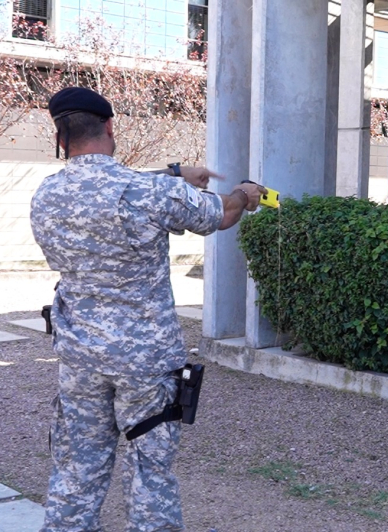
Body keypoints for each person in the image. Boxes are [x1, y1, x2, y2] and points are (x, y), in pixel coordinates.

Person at [31, 86, 265, 531]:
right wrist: (243, 192)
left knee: (76, 469)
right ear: (109, 126)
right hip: (145, 363)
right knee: (149, 470)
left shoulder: (48, 193)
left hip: (79, 357)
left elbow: (102, 183)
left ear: (60, 137)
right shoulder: (150, 192)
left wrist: (175, 173)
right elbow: (223, 213)